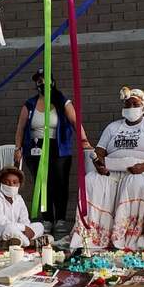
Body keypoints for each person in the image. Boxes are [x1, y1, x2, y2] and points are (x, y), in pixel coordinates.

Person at [70, 87, 144, 250]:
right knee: (91, 180)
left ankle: (125, 236)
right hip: (113, 169)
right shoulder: (113, 127)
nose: (130, 108)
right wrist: (99, 165)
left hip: (143, 169)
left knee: (134, 182)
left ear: (143, 106)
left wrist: (143, 167)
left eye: (135, 104)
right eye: (127, 104)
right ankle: (91, 235)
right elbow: (99, 152)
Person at [13, 69, 89, 235]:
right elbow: (21, 127)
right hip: (35, 148)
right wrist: (18, 148)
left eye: (45, 80)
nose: (42, 84)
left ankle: (60, 219)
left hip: (59, 147)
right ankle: (47, 218)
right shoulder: (30, 104)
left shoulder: (63, 102)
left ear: (52, 82)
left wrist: (85, 142)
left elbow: (75, 121)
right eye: (38, 81)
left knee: (60, 184)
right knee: (42, 184)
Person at [0, 167, 51, 249]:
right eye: (7, 182)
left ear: (19, 185)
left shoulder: (19, 198)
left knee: (39, 226)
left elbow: (25, 221)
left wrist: (24, 228)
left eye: (14, 182)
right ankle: (31, 243)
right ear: (1, 183)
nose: (11, 185)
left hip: (16, 232)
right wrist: (23, 228)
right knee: (10, 228)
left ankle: (11, 243)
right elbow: (0, 224)